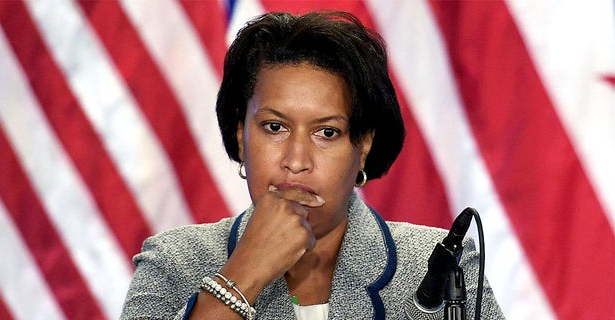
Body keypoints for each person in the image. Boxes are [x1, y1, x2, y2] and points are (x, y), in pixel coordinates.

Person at [120, 11, 504, 320]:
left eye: (327, 133)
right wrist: (241, 276)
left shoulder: (438, 268)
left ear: (363, 147)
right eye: (275, 127)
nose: (296, 161)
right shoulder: (172, 264)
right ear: (241, 136)